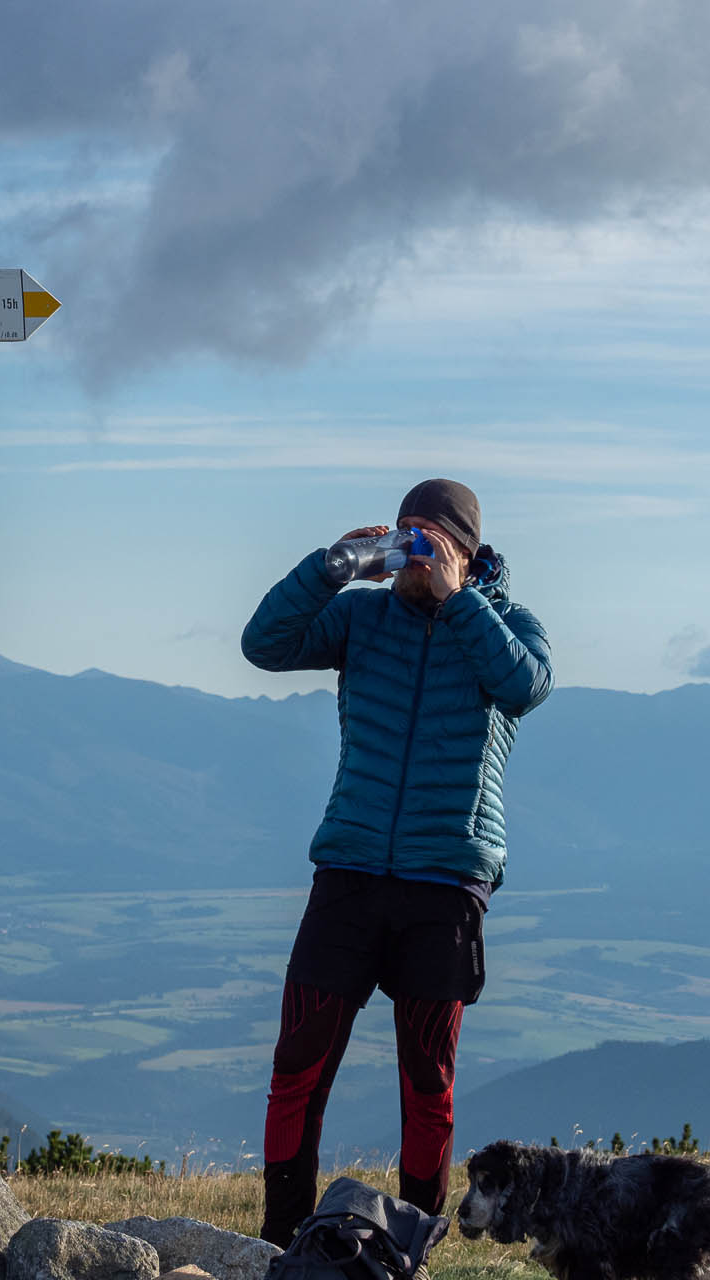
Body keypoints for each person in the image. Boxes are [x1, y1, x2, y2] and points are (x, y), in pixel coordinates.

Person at [241, 478, 554, 1246]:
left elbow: (526, 685)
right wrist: (333, 566)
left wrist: (459, 599)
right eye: (404, 535)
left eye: (429, 539)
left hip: (444, 884)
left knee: (427, 1083)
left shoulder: (506, 623)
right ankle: (284, 1242)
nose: (413, 554)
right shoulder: (360, 618)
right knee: (297, 1070)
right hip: (349, 870)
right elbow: (264, 646)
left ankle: (413, 1245)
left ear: (465, 551)